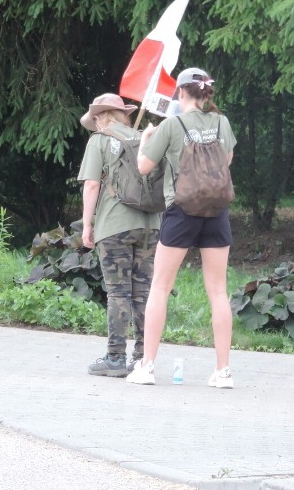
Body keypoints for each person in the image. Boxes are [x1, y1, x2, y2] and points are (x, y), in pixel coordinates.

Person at [126, 67, 237, 388]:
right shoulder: (222, 122)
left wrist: (147, 138)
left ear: (180, 93)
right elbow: (225, 161)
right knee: (218, 291)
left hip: (181, 211)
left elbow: (144, 167)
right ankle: (223, 372)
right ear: (205, 93)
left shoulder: (172, 125)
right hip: (216, 213)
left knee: (159, 287)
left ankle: (146, 367)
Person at [77, 93, 162, 377]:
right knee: (143, 293)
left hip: (114, 226)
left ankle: (115, 357)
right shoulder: (144, 139)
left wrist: (87, 225)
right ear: (123, 114)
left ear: (100, 117)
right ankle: (141, 358)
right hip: (151, 225)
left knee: (118, 292)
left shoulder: (99, 140)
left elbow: (91, 185)